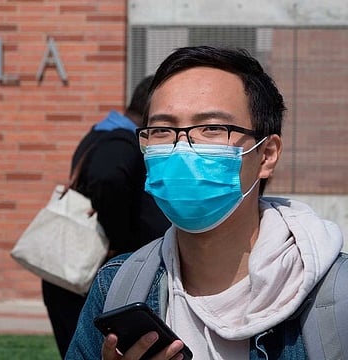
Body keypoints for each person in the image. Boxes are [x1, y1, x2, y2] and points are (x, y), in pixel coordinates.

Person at [65, 46, 345, 359]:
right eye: (162, 130)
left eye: (212, 127)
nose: (181, 146)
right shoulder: (116, 286)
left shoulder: (336, 297)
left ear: (267, 154)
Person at [42, 75, 171, 358]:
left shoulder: (98, 134)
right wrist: (118, 241)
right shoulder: (122, 140)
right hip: (88, 270)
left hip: (71, 270)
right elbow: (107, 178)